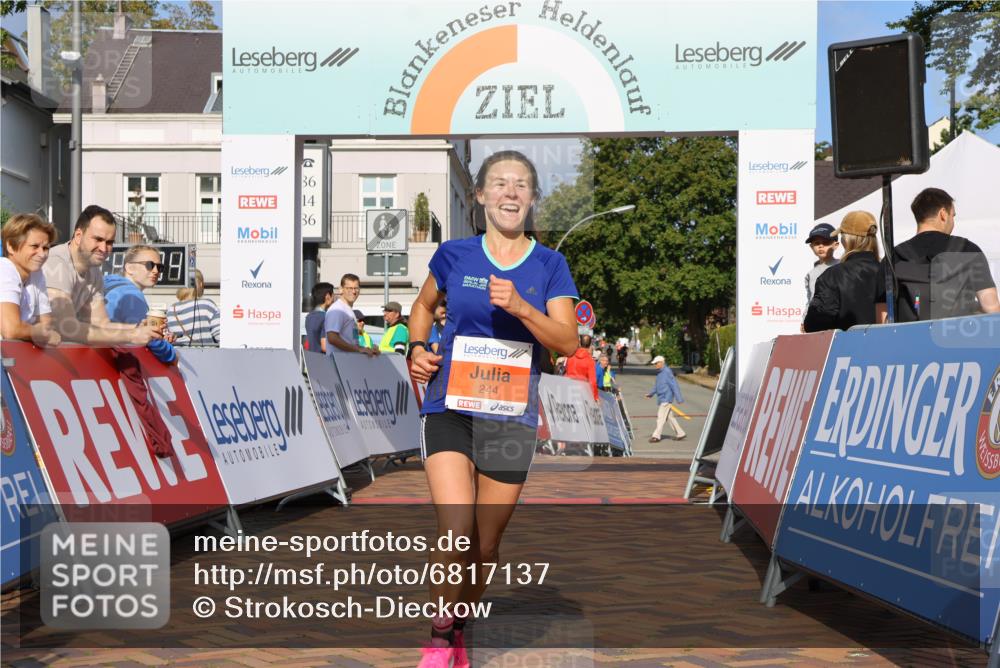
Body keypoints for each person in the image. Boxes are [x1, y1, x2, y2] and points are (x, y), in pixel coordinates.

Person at [408, 150, 578, 666]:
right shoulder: (455, 254)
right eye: (499, 183)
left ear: (531, 198)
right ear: (479, 196)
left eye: (521, 184)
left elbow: (567, 342)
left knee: (483, 545)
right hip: (450, 406)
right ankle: (439, 638)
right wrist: (416, 349)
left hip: (510, 417)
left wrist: (523, 308)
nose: (510, 192)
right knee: (455, 529)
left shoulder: (550, 265)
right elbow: (421, 308)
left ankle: (459, 623)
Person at [43, 205, 160, 346]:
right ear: (78, 236)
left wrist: (140, 329)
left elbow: (101, 324)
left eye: (109, 242)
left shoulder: (93, 271)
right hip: (24, 356)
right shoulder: (57, 263)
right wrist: (131, 335)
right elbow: (67, 328)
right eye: (98, 239)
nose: (104, 248)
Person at [876, 187, 999, 322]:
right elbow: (991, 309)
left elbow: (883, 321)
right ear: (943, 214)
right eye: (953, 216)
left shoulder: (893, 258)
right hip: (958, 338)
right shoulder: (968, 250)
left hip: (910, 340)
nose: (953, 221)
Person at [804, 212, 881, 332]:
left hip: (846, 348)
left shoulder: (831, 276)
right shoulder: (890, 271)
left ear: (845, 240)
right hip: (887, 346)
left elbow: (814, 325)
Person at [103, 244, 176, 363]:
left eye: (160, 267)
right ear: (130, 267)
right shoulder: (132, 294)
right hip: (112, 363)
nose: (156, 271)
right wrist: (172, 354)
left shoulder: (106, 285)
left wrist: (159, 336)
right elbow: (152, 342)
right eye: (149, 265)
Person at [0, 213, 60, 346]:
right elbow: (10, 329)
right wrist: (40, 333)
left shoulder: (36, 273)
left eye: (45, 248)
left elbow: (46, 324)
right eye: (34, 246)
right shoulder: (4, 268)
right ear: (11, 246)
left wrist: (39, 332)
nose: (42, 254)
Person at [325, 273, 377, 356]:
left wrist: (366, 350)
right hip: (338, 364)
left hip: (347, 362)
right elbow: (332, 338)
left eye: (356, 288)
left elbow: (352, 342)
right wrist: (358, 349)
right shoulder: (337, 309)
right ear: (341, 289)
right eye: (349, 288)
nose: (353, 291)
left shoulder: (348, 310)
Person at [801, 223, 840, 331]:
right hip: (817, 322)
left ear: (836, 245)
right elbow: (810, 299)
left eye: (826, 242)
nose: (821, 246)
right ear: (811, 247)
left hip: (839, 321)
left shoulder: (843, 266)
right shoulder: (811, 273)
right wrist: (804, 319)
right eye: (816, 243)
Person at [167, 269, 220, 346]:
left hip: (180, 356)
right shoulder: (207, 305)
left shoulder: (171, 310)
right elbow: (220, 336)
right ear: (201, 284)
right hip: (206, 355)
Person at [646, 355, 686, 442]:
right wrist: (651, 394)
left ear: (661, 363)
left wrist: (679, 398)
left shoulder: (667, 372)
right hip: (662, 398)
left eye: (656, 363)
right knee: (669, 417)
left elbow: (674, 385)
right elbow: (657, 386)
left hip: (666, 398)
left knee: (660, 417)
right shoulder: (659, 373)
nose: (655, 365)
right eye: (655, 363)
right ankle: (680, 433)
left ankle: (656, 436)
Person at [565, 333, 599, 400]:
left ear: (580, 343)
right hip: (583, 391)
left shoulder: (570, 357)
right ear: (590, 345)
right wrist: (595, 397)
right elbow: (593, 381)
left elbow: (567, 371)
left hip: (569, 388)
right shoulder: (590, 361)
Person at [305, 281, 334, 353]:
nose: (334, 299)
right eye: (333, 295)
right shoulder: (326, 317)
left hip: (311, 359)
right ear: (328, 297)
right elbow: (325, 347)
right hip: (324, 360)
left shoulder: (309, 316)